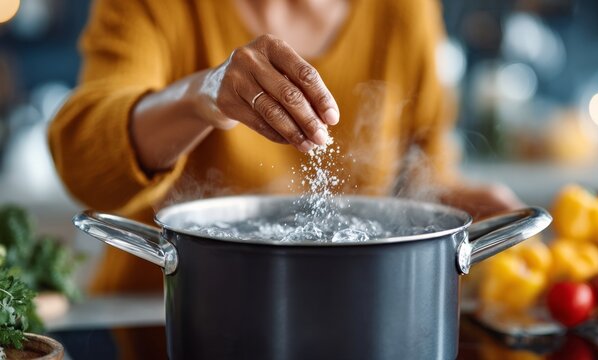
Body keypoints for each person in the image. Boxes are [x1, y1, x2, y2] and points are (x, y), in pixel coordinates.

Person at [49, 0, 522, 357]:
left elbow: (422, 173)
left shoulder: (403, 10)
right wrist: (203, 93)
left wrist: (461, 209)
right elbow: (83, 161)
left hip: (358, 326)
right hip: (169, 319)